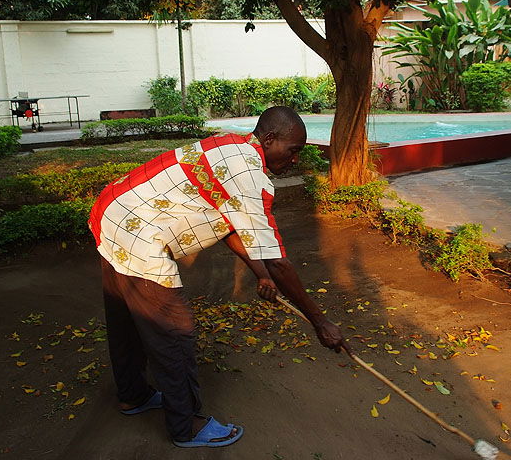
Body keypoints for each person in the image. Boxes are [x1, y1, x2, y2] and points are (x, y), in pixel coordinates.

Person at [88, 106, 346, 448]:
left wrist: (259, 273)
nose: (295, 159)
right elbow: (279, 263)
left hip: (113, 214)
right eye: (293, 150)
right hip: (139, 236)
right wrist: (319, 322)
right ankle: (186, 425)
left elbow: (228, 223)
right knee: (174, 332)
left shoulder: (234, 145)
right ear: (269, 140)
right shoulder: (252, 177)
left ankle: (133, 396)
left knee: (125, 318)